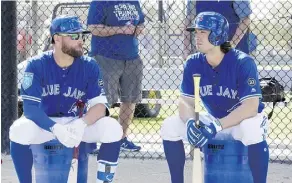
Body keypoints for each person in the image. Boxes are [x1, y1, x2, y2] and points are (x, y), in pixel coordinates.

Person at [9, 15, 123, 183]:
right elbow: (30, 109)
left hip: (76, 125)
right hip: (45, 125)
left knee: (113, 128)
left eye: (82, 36)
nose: (81, 41)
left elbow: (100, 106)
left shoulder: (89, 65)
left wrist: (82, 123)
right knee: (18, 130)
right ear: (57, 38)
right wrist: (54, 128)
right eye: (74, 36)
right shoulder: (36, 64)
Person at [161, 12, 269, 183]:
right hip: (214, 119)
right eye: (196, 32)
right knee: (170, 125)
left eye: (203, 32)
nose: (197, 36)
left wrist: (217, 125)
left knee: (251, 129)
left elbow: (251, 106)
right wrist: (190, 122)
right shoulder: (193, 62)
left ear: (218, 34)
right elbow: (186, 102)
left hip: (241, 120)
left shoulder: (242, 62)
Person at [87, 0, 145, 152]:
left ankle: (121, 138)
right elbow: (93, 28)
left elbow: (141, 24)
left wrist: (137, 29)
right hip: (106, 57)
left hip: (132, 57)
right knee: (104, 100)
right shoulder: (100, 2)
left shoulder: (134, 2)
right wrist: (119, 29)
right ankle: (104, 139)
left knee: (130, 99)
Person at [184, 0, 252, 59]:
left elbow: (245, 19)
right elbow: (188, 21)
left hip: (233, 50)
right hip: (204, 53)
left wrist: (231, 45)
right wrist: (186, 48)